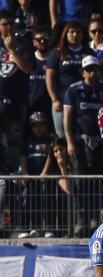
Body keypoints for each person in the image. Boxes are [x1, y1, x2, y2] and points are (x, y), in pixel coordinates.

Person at [46, 21, 91, 139]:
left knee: (83, 136)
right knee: (62, 135)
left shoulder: (89, 52)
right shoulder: (57, 52)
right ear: (65, 34)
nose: (75, 35)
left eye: (78, 32)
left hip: (83, 100)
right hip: (62, 99)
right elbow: (49, 78)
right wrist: (54, 99)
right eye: (72, 32)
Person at [63, 55, 103, 174]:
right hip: (80, 140)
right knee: (80, 174)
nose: (93, 73)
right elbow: (67, 118)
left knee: (99, 175)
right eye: (89, 70)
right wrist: (70, 142)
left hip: (102, 141)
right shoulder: (73, 90)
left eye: (95, 70)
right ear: (82, 72)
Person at [0, 9, 32, 167]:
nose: (8, 27)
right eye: (4, 24)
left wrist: (12, 49)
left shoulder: (24, 43)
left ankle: (14, 171)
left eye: (11, 24)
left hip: (17, 99)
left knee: (14, 140)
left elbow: (27, 68)